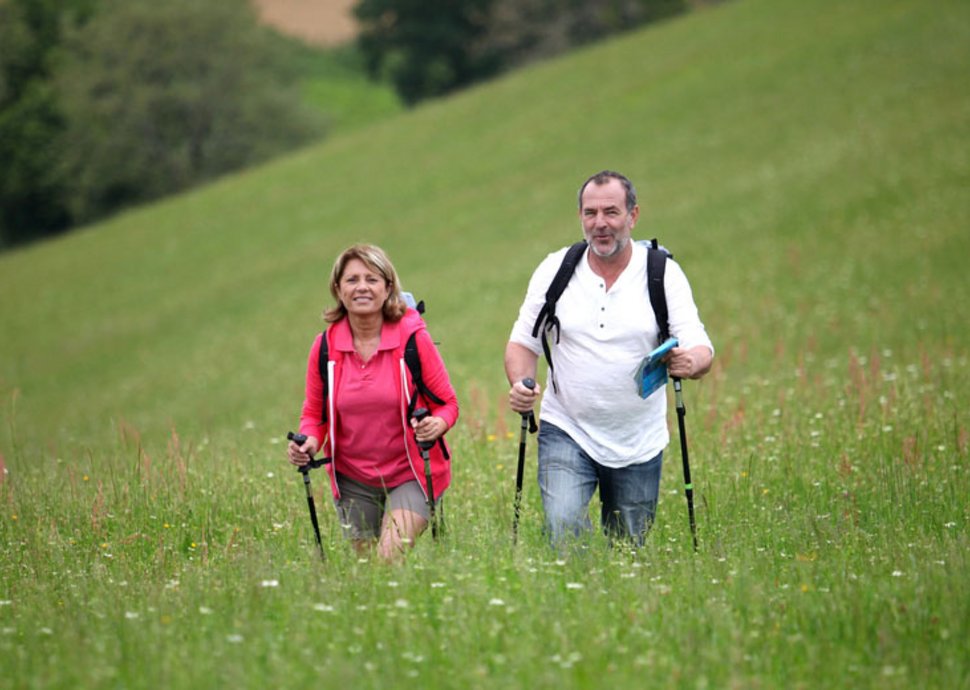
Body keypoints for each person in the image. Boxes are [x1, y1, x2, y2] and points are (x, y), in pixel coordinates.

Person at [505, 170, 713, 547]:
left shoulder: (661, 273)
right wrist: (521, 384)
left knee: (627, 549)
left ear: (633, 216)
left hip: (638, 439)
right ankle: (574, 596)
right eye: (590, 213)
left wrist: (691, 362)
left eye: (611, 212)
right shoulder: (556, 269)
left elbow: (700, 345)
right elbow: (523, 342)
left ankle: (611, 599)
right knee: (563, 527)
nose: (600, 223)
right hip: (566, 427)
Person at [288, 243, 459, 562]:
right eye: (352, 280)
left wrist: (439, 424)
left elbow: (448, 404)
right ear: (338, 289)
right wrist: (308, 442)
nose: (362, 287)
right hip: (353, 479)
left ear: (388, 287)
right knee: (368, 578)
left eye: (372, 279)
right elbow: (314, 413)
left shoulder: (412, 338)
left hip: (412, 472)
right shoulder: (325, 347)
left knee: (386, 559)